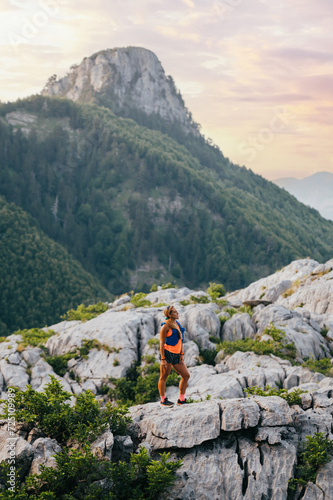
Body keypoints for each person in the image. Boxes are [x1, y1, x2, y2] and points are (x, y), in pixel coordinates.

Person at [158, 305, 190, 407]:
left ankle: (181, 399)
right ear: (169, 314)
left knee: (186, 376)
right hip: (167, 355)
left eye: (177, 311)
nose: (178, 313)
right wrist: (163, 359)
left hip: (177, 355)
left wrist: (181, 354)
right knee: (163, 377)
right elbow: (162, 343)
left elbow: (180, 340)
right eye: (175, 312)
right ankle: (163, 400)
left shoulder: (176, 324)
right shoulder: (165, 327)